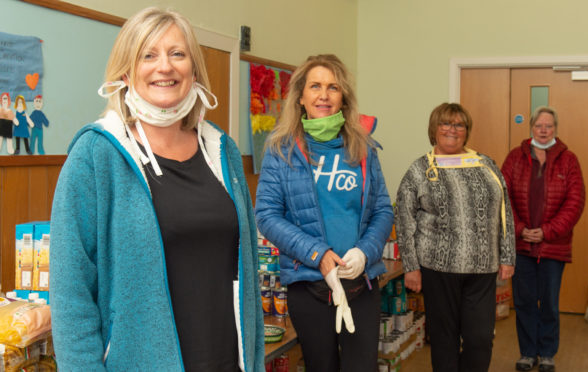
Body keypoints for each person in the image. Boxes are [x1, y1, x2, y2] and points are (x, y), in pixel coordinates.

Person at [50, 7, 264, 371]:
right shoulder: (96, 155)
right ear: (126, 72)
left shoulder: (222, 152)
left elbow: (248, 278)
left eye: (177, 54)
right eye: (148, 55)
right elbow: (71, 295)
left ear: (193, 71)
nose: (164, 66)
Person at [255, 54, 393, 372]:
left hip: (362, 286)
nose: (324, 95)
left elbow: (383, 208)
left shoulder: (364, 148)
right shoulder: (280, 150)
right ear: (301, 97)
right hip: (309, 287)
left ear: (343, 97)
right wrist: (319, 253)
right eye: (315, 86)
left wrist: (364, 252)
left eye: (333, 87)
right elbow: (267, 214)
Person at [395, 102, 516, 372]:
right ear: (434, 129)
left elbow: (504, 211)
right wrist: (411, 267)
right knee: (444, 338)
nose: (452, 130)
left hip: (482, 268)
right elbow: (404, 219)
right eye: (445, 124)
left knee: (480, 339)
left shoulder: (485, 165)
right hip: (438, 269)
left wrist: (508, 256)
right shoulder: (420, 170)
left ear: (466, 130)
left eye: (459, 124)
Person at [501, 106, 585, 372]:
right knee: (524, 301)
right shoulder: (515, 157)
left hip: (553, 245)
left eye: (549, 126)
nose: (544, 130)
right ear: (532, 128)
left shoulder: (568, 159)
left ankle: (547, 352)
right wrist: (520, 228)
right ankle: (527, 353)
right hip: (521, 244)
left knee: (549, 301)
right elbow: (502, 198)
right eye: (539, 126)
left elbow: (575, 201)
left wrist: (547, 231)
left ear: (556, 129)